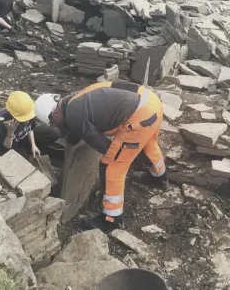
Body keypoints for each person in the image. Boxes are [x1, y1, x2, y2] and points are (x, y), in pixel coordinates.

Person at [34, 81, 166, 231]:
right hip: (151, 103)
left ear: (55, 113)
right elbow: (77, 128)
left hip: (139, 117)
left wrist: (121, 157)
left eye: (51, 122)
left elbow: (97, 141)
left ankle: (111, 219)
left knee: (110, 166)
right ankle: (159, 177)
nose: (54, 125)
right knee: (149, 144)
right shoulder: (72, 100)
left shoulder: (73, 115)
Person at [0, 91, 60, 159]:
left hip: (23, 139)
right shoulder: (0, 122)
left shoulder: (28, 111)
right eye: (24, 119)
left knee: (54, 132)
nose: (27, 120)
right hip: (10, 146)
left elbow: (30, 128)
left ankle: (32, 151)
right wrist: (10, 132)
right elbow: (3, 150)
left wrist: (33, 145)